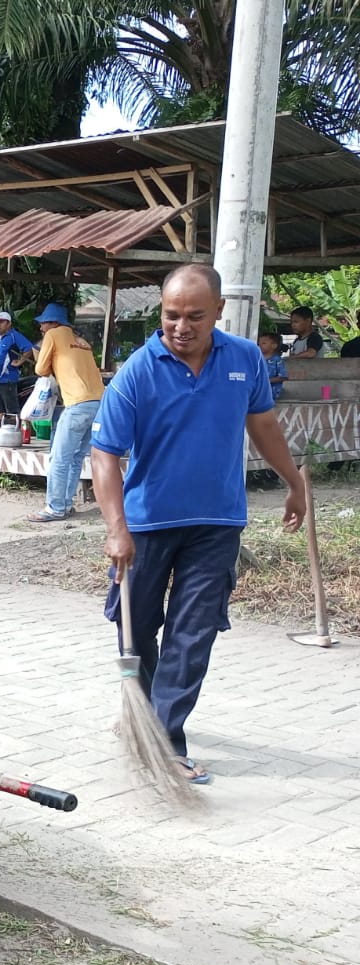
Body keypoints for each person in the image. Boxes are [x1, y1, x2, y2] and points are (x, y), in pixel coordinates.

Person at [91, 265, 305, 787]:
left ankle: (164, 741)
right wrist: (117, 526)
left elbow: (264, 424)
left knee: (194, 633)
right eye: (170, 315)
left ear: (219, 312)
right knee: (137, 630)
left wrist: (294, 481)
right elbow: (104, 454)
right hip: (146, 525)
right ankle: (141, 716)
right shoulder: (139, 370)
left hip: (217, 522)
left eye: (194, 316)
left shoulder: (245, 359)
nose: (180, 326)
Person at [26, 302, 104, 523]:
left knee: (59, 458)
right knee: (75, 457)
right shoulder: (83, 342)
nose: (41, 328)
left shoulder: (54, 335)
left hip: (77, 403)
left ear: (53, 323)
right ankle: (67, 504)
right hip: (99, 403)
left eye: (43, 323)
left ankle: (55, 508)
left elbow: (40, 369)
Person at [0, 310, 35, 416]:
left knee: (11, 411)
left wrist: (20, 361)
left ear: (9, 323)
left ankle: (14, 430)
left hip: (8, 380)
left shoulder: (14, 336)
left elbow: (29, 348)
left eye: (2, 322)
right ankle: (0, 430)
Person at [259, 332, 287, 402]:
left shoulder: (277, 360)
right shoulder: (257, 359)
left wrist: (267, 381)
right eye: (259, 343)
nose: (260, 345)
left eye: (264, 343)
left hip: (271, 393)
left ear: (274, 346)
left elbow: (283, 376)